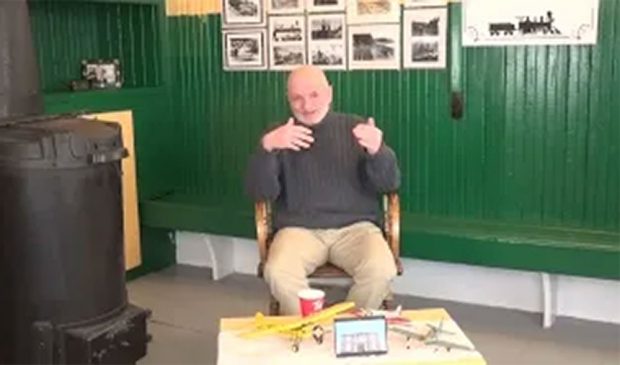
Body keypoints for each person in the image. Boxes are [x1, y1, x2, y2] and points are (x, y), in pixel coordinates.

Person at [244, 65, 400, 315]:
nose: (306, 105)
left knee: (381, 268)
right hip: (298, 230)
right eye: (297, 98)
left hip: (356, 229)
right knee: (278, 271)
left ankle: (347, 329)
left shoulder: (356, 127)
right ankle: (310, 328)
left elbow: (389, 184)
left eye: (314, 95)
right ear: (288, 100)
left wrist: (378, 151)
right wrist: (267, 147)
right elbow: (260, 192)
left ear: (329, 93)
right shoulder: (280, 134)